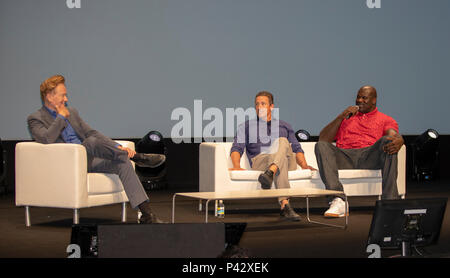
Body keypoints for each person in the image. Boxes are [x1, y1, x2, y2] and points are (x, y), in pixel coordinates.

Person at [27, 75, 166, 224]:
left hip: (88, 159)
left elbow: (92, 132)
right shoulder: (35, 118)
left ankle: (146, 214)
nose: (66, 99)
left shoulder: (72, 112)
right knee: (89, 142)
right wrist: (60, 117)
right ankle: (138, 158)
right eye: (62, 95)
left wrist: (118, 147)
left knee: (121, 160)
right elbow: (47, 139)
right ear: (49, 96)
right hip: (68, 163)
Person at [315, 85, 404, 218]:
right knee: (321, 145)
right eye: (358, 97)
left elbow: (392, 134)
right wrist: (341, 116)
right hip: (345, 156)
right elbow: (323, 138)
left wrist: (399, 139)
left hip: (369, 156)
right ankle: (338, 200)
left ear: (374, 100)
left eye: (364, 98)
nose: (359, 101)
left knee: (388, 141)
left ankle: (389, 202)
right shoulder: (347, 118)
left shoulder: (385, 119)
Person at [229, 91, 316, 221]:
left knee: (283, 141)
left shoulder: (285, 126)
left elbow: (297, 148)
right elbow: (237, 148)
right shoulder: (246, 127)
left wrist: (304, 165)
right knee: (281, 161)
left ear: (271, 106)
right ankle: (285, 205)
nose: (259, 107)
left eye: (263, 104)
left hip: (281, 162)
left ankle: (270, 172)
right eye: (257, 104)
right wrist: (236, 166)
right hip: (261, 161)